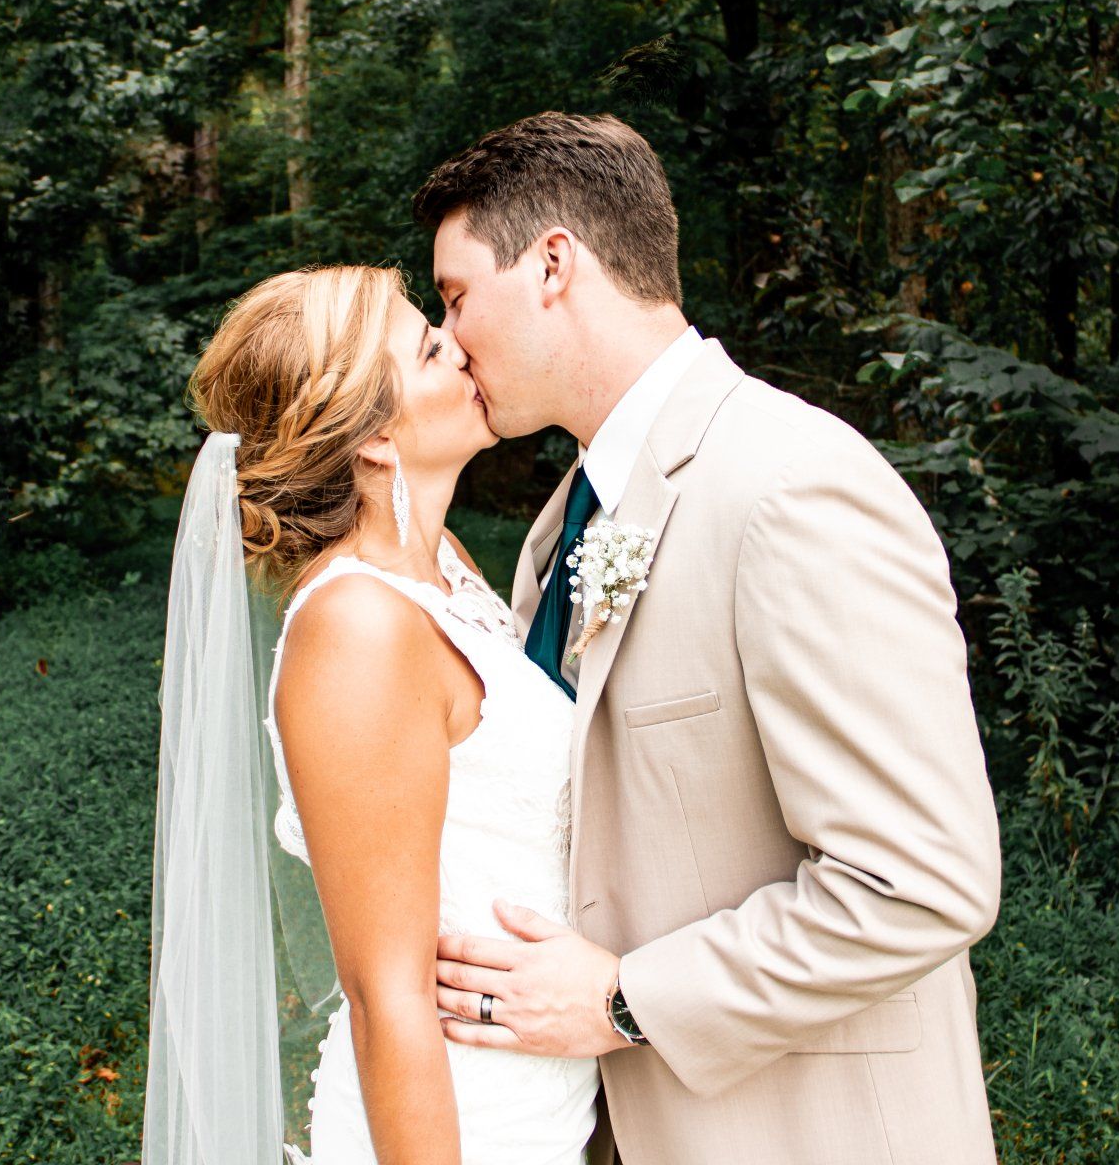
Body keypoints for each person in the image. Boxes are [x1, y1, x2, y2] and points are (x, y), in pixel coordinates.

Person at [414, 111, 1005, 1165]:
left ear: (553, 265)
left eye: (456, 296)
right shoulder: (564, 521)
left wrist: (622, 1000)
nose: (448, 338)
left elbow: (920, 877)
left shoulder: (790, 485)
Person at [147, 264, 599, 1165]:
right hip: (461, 1127)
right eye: (430, 348)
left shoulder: (447, 570)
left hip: (547, 1100)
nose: (460, 345)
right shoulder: (356, 629)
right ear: (375, 438)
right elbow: (384, 996)